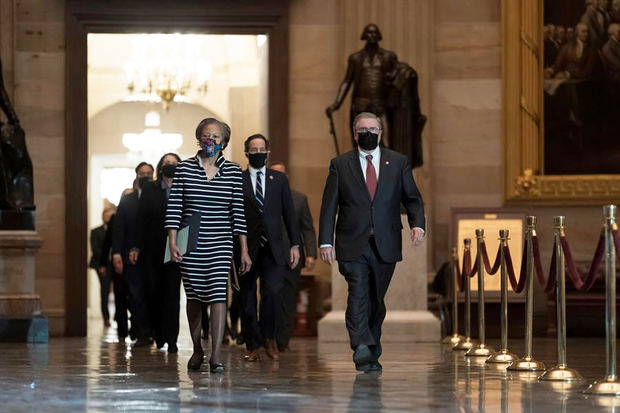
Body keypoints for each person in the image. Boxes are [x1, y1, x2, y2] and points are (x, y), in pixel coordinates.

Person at [318, 112, 425, 372]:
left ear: (381, 132)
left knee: (376, 299)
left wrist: (417, 224)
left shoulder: (397, 162)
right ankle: (360, 345)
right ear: (355, 134)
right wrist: (325, 241)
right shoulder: (340, 164)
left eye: (373, 129)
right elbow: (329, 205)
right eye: (363, 129)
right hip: (351, 242)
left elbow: (412, 197)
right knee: (358, 291)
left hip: (385, 241)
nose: (368, 133)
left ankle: (371, 348)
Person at [165, 118, 251, 373]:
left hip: (221, 242)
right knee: (193, 296)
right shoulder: (184, 169)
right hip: (190, 241)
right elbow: (174, 208)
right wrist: (172, 242)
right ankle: (197, 349)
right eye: (206, 135)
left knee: (217, 294)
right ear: (199, 138)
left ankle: (215, 354)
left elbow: (238, 213)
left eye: (215, 136)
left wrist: (243, 249)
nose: (210, 140)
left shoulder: (234, 171)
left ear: (223, 141)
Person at [239, 134, 300, 362]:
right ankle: (251, 344)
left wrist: (295, 244)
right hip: (247, 248)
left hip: (274, 247)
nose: (258, 153)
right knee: (246, 298)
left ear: (268, 152)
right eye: (253, 149)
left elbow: (289, 214)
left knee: (273, 293)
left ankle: (270, 338)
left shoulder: (279, 179)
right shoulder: (238, 178)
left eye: (262, 149)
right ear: (246, 153)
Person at [130, 153, 182, 353]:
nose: (170, 166)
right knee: (154, 292)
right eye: (167, 163)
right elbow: (141, 219)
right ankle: (158, 334)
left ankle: (172, 339)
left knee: (172, 295)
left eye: (174, 163)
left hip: (176, 250)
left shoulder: (183, 187)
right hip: (153, 249)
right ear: (161, 166)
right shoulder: (150, 189)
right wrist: (136, 246)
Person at [268, 161, 317, 352]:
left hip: (293, 258)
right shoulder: (262, 198)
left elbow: (307, 228)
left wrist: (311, 253)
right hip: (269, 257)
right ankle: (268, 336)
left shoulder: (299, 198)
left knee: (288, 300)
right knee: (270, 297)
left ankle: (283, 340)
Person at [112, 161, 154, 347]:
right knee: (136, 296)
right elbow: (118, 228)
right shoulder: (127, 200)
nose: (145, 176)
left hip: (153, 256)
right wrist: (116, 254)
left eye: (149, 173)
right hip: (131, 257)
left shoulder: (158, 197)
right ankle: (141, 332)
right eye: (142, 173)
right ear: (136, 175)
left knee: (152, 295)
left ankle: (152, 331)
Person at [89, 206, 116, 328]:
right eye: (106, 216)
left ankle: (118, 315)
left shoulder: (117, 230)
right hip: (102, 265)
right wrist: (103, 263)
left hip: (115, 264)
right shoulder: (96, 231)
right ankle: (106, 317)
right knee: (104, 291)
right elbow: (96, 250)